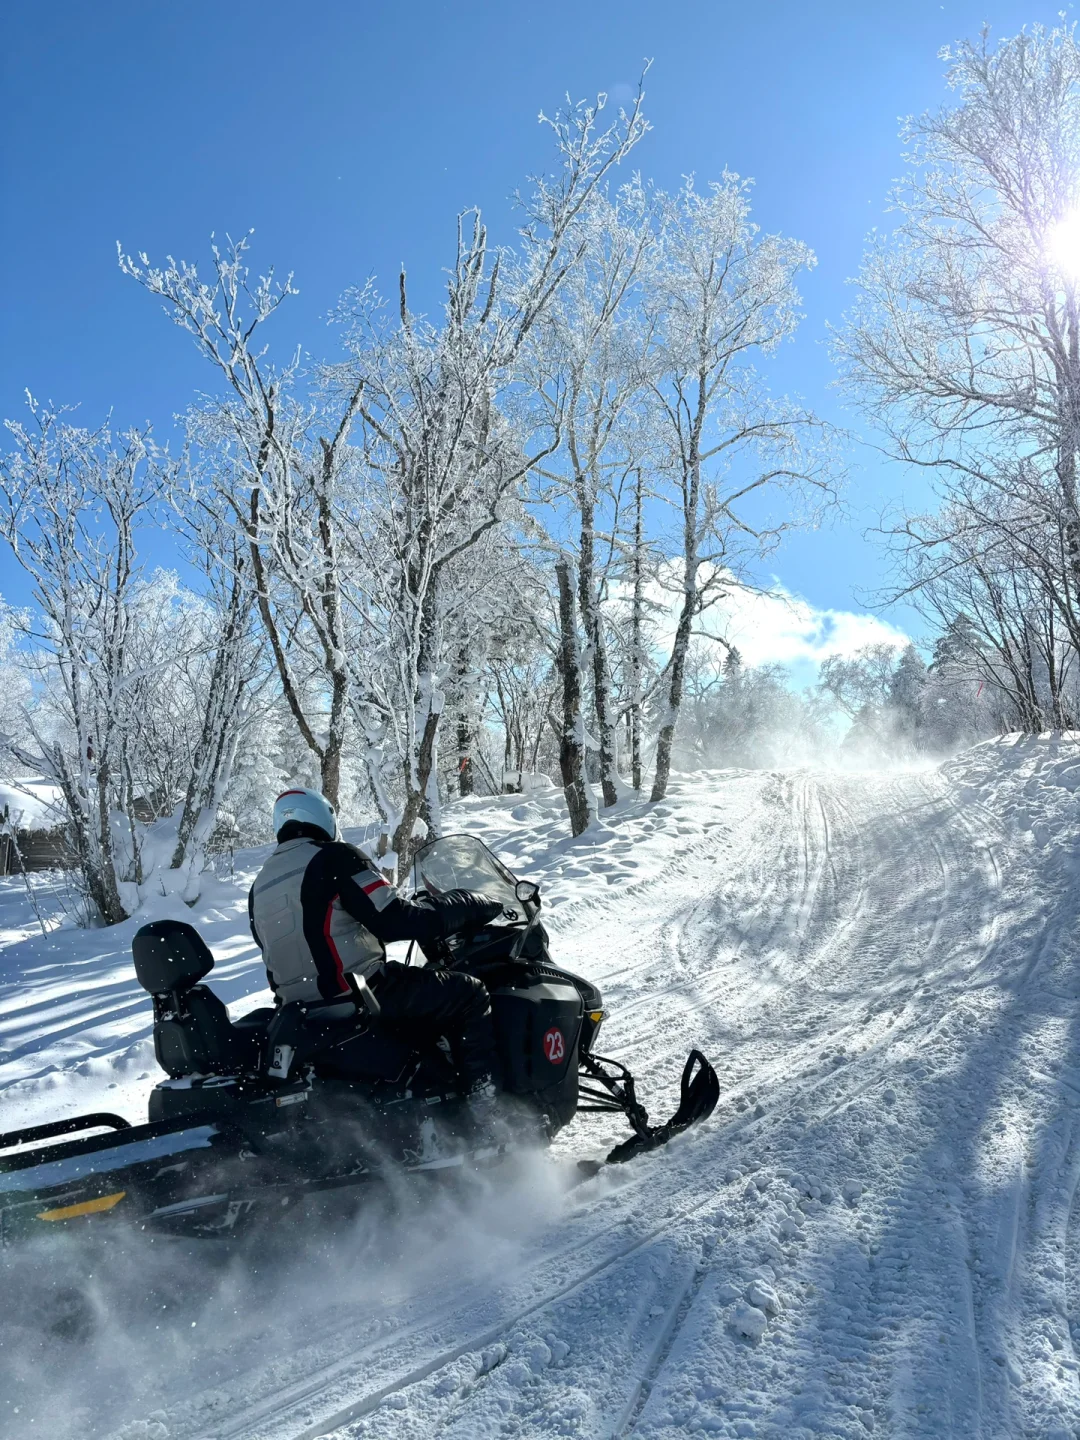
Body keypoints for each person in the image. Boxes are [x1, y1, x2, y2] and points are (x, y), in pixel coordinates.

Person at [248, 786, 503, 1100]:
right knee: (470, 993)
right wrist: (464, 904)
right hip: (360, 995)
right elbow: (395, 919)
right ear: (325, 819)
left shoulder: (259, 886)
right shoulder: (335, 857)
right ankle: (486, 1107)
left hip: (299, 1012)